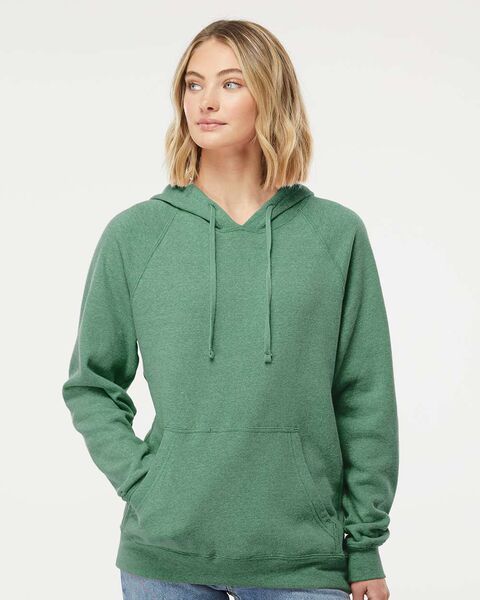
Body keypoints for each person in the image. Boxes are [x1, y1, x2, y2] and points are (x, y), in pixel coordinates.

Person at [62, 19, 399, 600]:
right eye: (193, 84)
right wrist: (146, 484)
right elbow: (91, 384)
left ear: (271, 95)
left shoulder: (335, 234)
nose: (206, 102)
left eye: (231, 83)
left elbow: (364, 394)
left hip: (303, 560)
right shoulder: (135, 235)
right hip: (165, 558)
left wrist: (365, 544)